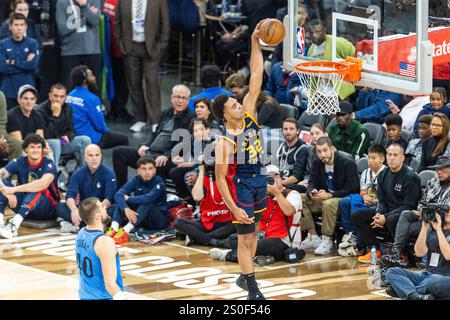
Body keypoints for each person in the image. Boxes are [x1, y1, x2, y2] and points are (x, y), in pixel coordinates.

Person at [212, 20, 267, 300]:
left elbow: (256, 73)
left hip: (260, 179)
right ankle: (253, 290)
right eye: (232, 105)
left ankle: (246, 278)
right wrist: (233, 207)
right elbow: (220, 179)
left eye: (237, 102)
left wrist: (255, 41)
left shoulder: (249, 114)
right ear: (224, 114)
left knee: (254, 236)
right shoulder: (223, 141)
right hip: (242, 185)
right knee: (245, 237)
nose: (238, 103)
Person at [209, 165, 303, 263]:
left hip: (285, 240)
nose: (273, 180)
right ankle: (264, 257)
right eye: (268, 177)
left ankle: (229, 254)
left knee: (258, 245)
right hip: (264, 236)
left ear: (281, 178)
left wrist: (277, 193)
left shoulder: (292, 194)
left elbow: (289, 211)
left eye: (276, 176)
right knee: (234, 239)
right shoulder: (261, 196)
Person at [112, 84, 194, 187]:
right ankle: (121, 190)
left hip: (169, 158)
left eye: (184, 98)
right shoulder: (166, 113)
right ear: (172, 98)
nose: (180, 101)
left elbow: (182, 145)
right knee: (119, 152)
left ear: (188, 100)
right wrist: (143, 145)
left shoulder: (190, 118)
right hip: (151, 153)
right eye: (178, 97)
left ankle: (152, 195)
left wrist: (166, 155)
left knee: (154, 161)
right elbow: (155, 135)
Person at [352, 143, 421, 263]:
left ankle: (402, 253)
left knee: (393, 219)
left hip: (406, 214)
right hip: (387, 212)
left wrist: (386, 217)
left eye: (395, 155)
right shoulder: (383, 174)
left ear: (403, 158)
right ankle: (375, 250)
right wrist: (379, 214)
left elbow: (408, 206)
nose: (392, 158)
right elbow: (382, 201)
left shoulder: (411, 177)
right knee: (358, 215)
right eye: (389, 154)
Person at [381, 155, 450, 269]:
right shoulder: (433, 181)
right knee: (405, 214)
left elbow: (446, 208)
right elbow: (421, 202)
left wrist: (428, 209)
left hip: (441, 222)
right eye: (437, 169)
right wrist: (423, 209)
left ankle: (410, 256)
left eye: (443, 169)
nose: (439, 171)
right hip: (425, 217)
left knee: (405, 228)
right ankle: (396, 254)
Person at [115, 0, 170, 133]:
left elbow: (165, 23)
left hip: (151, 49)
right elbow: (117, 23)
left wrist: (160, 47)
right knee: (134, 84)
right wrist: (122, 46)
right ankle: (140, 119)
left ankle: (155, 120)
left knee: (152, 83)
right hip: (130, 48)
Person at [299, 136, 360, 255]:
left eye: (325, 150)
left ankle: (327, 240)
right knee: (300, 198)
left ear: (332, 149)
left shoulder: (347, 161)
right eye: (319, 151)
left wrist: (330, 194)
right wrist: (312, 191)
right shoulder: (317, 162)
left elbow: (353, 188)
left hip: (343, 197)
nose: (322, 154)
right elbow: (312, 180)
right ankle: (313, 236)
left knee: (328, 203)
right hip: (324, 195)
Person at [0, 134, 59, 238]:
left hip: (47, 208)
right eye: (32, 147)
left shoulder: (49, 164)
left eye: (38, 147)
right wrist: (6, 192)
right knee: (3, 182)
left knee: (38, 187)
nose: (35, 150)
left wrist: (13, 190)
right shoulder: (19, 162)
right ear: (26, 149)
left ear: (42, 149)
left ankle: (14, 225)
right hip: (25, 207)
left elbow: (42, 184)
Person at [385, 206, 450, 300]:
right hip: (427, 273)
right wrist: (424, 227)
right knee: (392, 272)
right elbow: (419, 252)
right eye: (447, 211)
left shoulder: (438, 230)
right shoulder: (432, 230)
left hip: (445, 277)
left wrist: (439, 230)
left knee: (433, 282)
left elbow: (448, 255)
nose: (448, 213)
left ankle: (406, 291)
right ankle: (415, 296)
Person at [173, 157, 235, 247]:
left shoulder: (229, 178)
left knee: (238, 225)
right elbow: (197, 197)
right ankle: (212, 241)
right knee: (178, 222)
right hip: (207, 223)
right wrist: (201, 171)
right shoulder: (203, 179)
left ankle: (197, 238)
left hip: (227, 223)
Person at [338, 144, 386, 257]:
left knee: (359, 209)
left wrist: (374, 201)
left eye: (373, 158)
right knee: (344, 202)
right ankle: (349, 232)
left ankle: (359, 241)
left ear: (382, 159)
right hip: (367, 200)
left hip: (378, 203)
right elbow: (363, 191)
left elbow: (387, 196)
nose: (370, 161)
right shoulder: (365, 172)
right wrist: (364, 196)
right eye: (369, 158)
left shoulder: (386, 173)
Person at [56, 144, 117, 233]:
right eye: (90, 155)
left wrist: (101, 209)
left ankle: (79, 225)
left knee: (116, 208)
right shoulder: (78, 173)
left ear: (101, 156)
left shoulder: (109, 173)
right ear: (85, 157)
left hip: (101, 209)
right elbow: (70, 195)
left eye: (97, 155)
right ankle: (96, 225)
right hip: (84, 210)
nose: (94, 158)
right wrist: (73, 210)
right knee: (59, 207)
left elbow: (109, 197)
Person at [66, 65, 129, 149]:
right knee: (124, 139)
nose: (94, 78)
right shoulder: (92, 98)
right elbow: (99, 125)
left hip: (72, 137)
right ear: (85, 81)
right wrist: (107, 132)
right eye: (91, 76)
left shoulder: (70, 95)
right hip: (91, 138)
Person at [110, 157, 169, 245]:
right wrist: (126, 208)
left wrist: (129, 198)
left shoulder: (159, 182)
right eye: (144, 169)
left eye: (150, 169)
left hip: (158, 219)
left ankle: (126, 231)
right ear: (138, 171)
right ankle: (113, 228)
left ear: (155, 170)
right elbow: (118, 194)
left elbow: (148, 198)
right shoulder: (136, 179)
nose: (147, 172)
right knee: (121, 203)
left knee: (147, 203)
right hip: (142, 218)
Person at [76, 197, 125, 300]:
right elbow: (110, 285)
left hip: (84, 296)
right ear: (97, 216)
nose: (105, 207)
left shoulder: (81, 233)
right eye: (102, 206)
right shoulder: (105, 242)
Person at [37, 83, 91, 169]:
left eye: (62, 97)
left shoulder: (68, 109)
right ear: (50, 96)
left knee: (85, 140)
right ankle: (52, 175)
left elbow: (72, 130)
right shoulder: (40, 111)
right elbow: (47, 135)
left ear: (65, 97)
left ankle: (84, 173)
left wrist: (68, 137)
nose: (58, 99)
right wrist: (55, 115)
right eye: (55, 96)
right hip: (47, 145)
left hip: (62, 142)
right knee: (55, 142)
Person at [55, 0, 102, 89]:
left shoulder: (94, 1)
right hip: (70, 51)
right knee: (69, 87)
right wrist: (84, 19)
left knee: (94, 87)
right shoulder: (61, 2)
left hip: (92, 50)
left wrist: (84, 5)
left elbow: (95, 21)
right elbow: (62, 29)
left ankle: (94, 103)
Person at [306, 19, 355, 100]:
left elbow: (356, 56)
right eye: (311, 32)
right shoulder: (311, 50)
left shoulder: (338, 43)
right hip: (320, 93)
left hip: (338, 93)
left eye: (318, 32)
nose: (314, 35)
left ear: (324, 31)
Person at [0, 13, 40, 109]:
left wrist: (12, 62)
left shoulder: (32, 43)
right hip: (8, 90)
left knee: (29, 122)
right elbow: (2, 67)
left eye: (22, 25)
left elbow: (32, 65)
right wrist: (24, 64)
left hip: (27, 91)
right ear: (10, 27)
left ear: (26, 27)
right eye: (16, 25)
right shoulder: (3, 44)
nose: (19, 28)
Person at [103, 0, 132, 123]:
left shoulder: (107, 2)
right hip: (122, 49)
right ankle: (118, 110)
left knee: (114, 80)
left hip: (109, 48)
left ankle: (115, 110)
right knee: (124, 82)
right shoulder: (123, 3)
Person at [275, 118, 309, 192]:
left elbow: (296, 177)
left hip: (295, 185)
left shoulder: (302, 148)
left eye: (291, 129)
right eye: (285, 129)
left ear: (297, 131)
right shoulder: (281, 146)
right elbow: (275, 168)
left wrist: (280, 184)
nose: (288, 132)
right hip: (281, 183)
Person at [0, 90, 22, 160]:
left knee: (17, 145)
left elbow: (2, 121)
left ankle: (12, 170)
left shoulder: (0, 96)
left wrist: (1, 137)